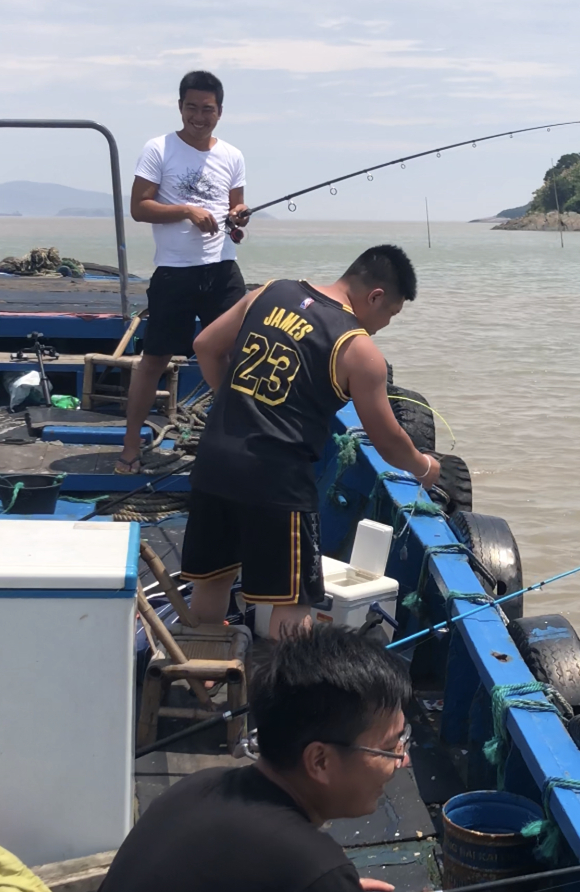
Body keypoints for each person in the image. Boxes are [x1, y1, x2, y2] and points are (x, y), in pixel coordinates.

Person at [75, 626, 513, 892]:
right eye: (389, 748)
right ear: (319, 760)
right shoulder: (305, 865)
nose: (402, 761)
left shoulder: (202, 789)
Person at [179, 245, 436, 637]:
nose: (384, 325)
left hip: (215, 458)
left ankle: (203, 678)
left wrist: (234, 403)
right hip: (278, 480)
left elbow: (205, 347)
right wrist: (424, 466)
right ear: (376, 296)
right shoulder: (359, 350)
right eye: (390, 315)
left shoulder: (268, 292)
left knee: (212, 580)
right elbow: (387, 439)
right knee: (292, 603)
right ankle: (292, 694)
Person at [120, 69, 251, 474]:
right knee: (154, 359)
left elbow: (237, 214)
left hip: (223, 268)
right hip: (175, 272)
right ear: (180, 107)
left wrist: (238, 220)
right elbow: (139, 208)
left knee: (238, 353)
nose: (199, 116)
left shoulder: (233, 155)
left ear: (220, 111)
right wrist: (185, 211)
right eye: (191, 107)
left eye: (207, 109)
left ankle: (237, 442)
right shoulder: (158, 149)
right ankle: (129, 448)